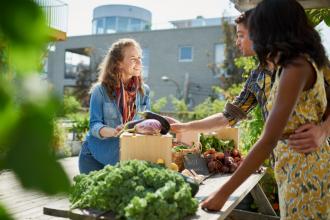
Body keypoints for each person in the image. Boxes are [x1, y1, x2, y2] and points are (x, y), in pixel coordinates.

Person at [201, 0, 330, 219]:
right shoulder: (288, 66)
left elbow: (268, 139)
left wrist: (223, 193)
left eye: (258, 27)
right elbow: (233, 115)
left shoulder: (295, 68)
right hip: (295, 165)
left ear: (273, 29)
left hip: (304, 169)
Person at [171, 9, 330, 154]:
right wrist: (185, 127)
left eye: (241, 35)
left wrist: (323, 130)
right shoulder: (257, 77)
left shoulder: (305, 62)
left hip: (318, 158)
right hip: (282, 161)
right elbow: (227, 117)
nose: (236, 42)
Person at [79, 38, 151, 174]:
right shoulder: (100, 91)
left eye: (140, 58)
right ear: (118, 63)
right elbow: (94, 125)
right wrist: (114, 132)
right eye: (133, 59)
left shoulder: (144, 91)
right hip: (95, 156)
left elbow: (147, 122)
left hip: (125, 157)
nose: (139, 62)